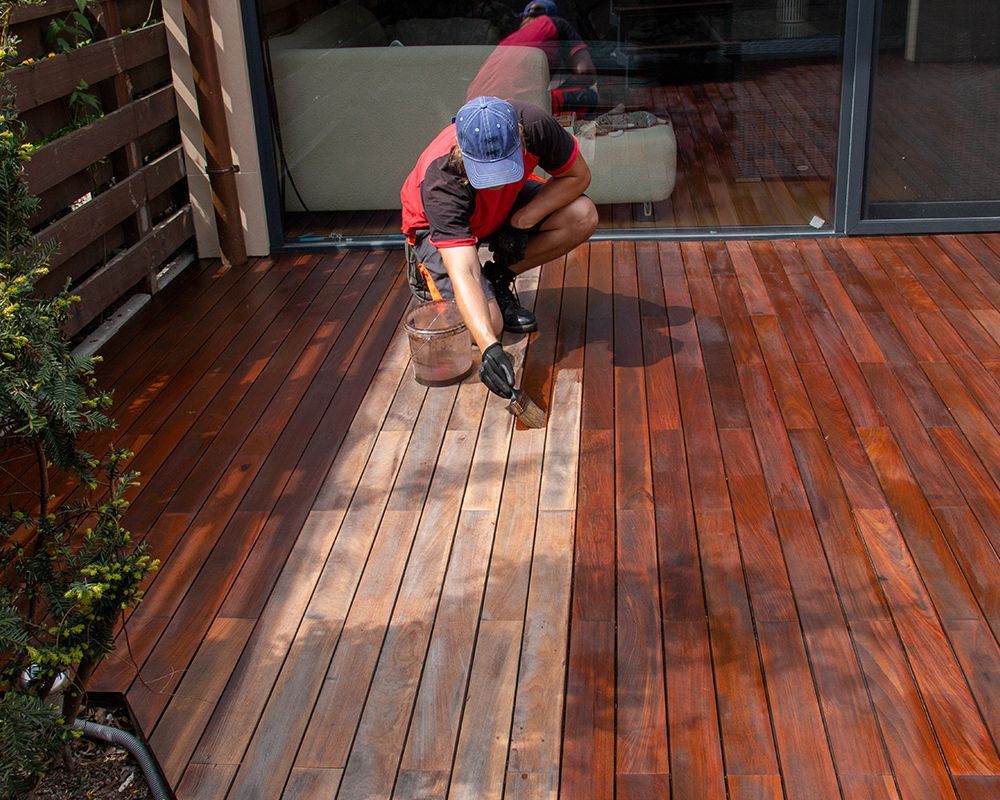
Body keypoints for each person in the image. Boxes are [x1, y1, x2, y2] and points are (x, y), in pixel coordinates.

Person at [400, 95, 597, 399]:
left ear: (520, 139)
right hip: (435, 227)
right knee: (490, 326)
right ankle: (435, 277)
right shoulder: (442, 179)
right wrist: (491, 349)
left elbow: (578, 176)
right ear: (462, 152)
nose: (494, 182)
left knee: (582, 216)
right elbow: (463, 271)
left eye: (503, 168)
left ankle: (495, 278)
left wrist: (523, 219)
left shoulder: (534, 124)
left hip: (506, 208)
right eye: (485, 173)